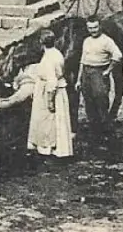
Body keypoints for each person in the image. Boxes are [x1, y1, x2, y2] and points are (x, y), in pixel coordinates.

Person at [26, 31, 74, 159]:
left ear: (41, 43)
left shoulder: (48, 58)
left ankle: (48, 149)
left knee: (48, 120)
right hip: (57, 88)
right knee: (56, 121)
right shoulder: (56, 53)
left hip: (50, 90)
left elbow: (51, 81)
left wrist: (50, 101)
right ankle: (57, 147)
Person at [79, 17, 123, 142]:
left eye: (95, 27)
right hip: (86, 73)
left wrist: (108, 71)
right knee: (89, 103)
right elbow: (82, 60)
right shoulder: (86, 40)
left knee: (101, 103)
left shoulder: (106, 41)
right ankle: (94, 135)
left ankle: (108, 136)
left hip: (99, 72)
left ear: (100, 27)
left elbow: (118, 55)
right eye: (90, 28)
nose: (93, 30)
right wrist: (78, 79)